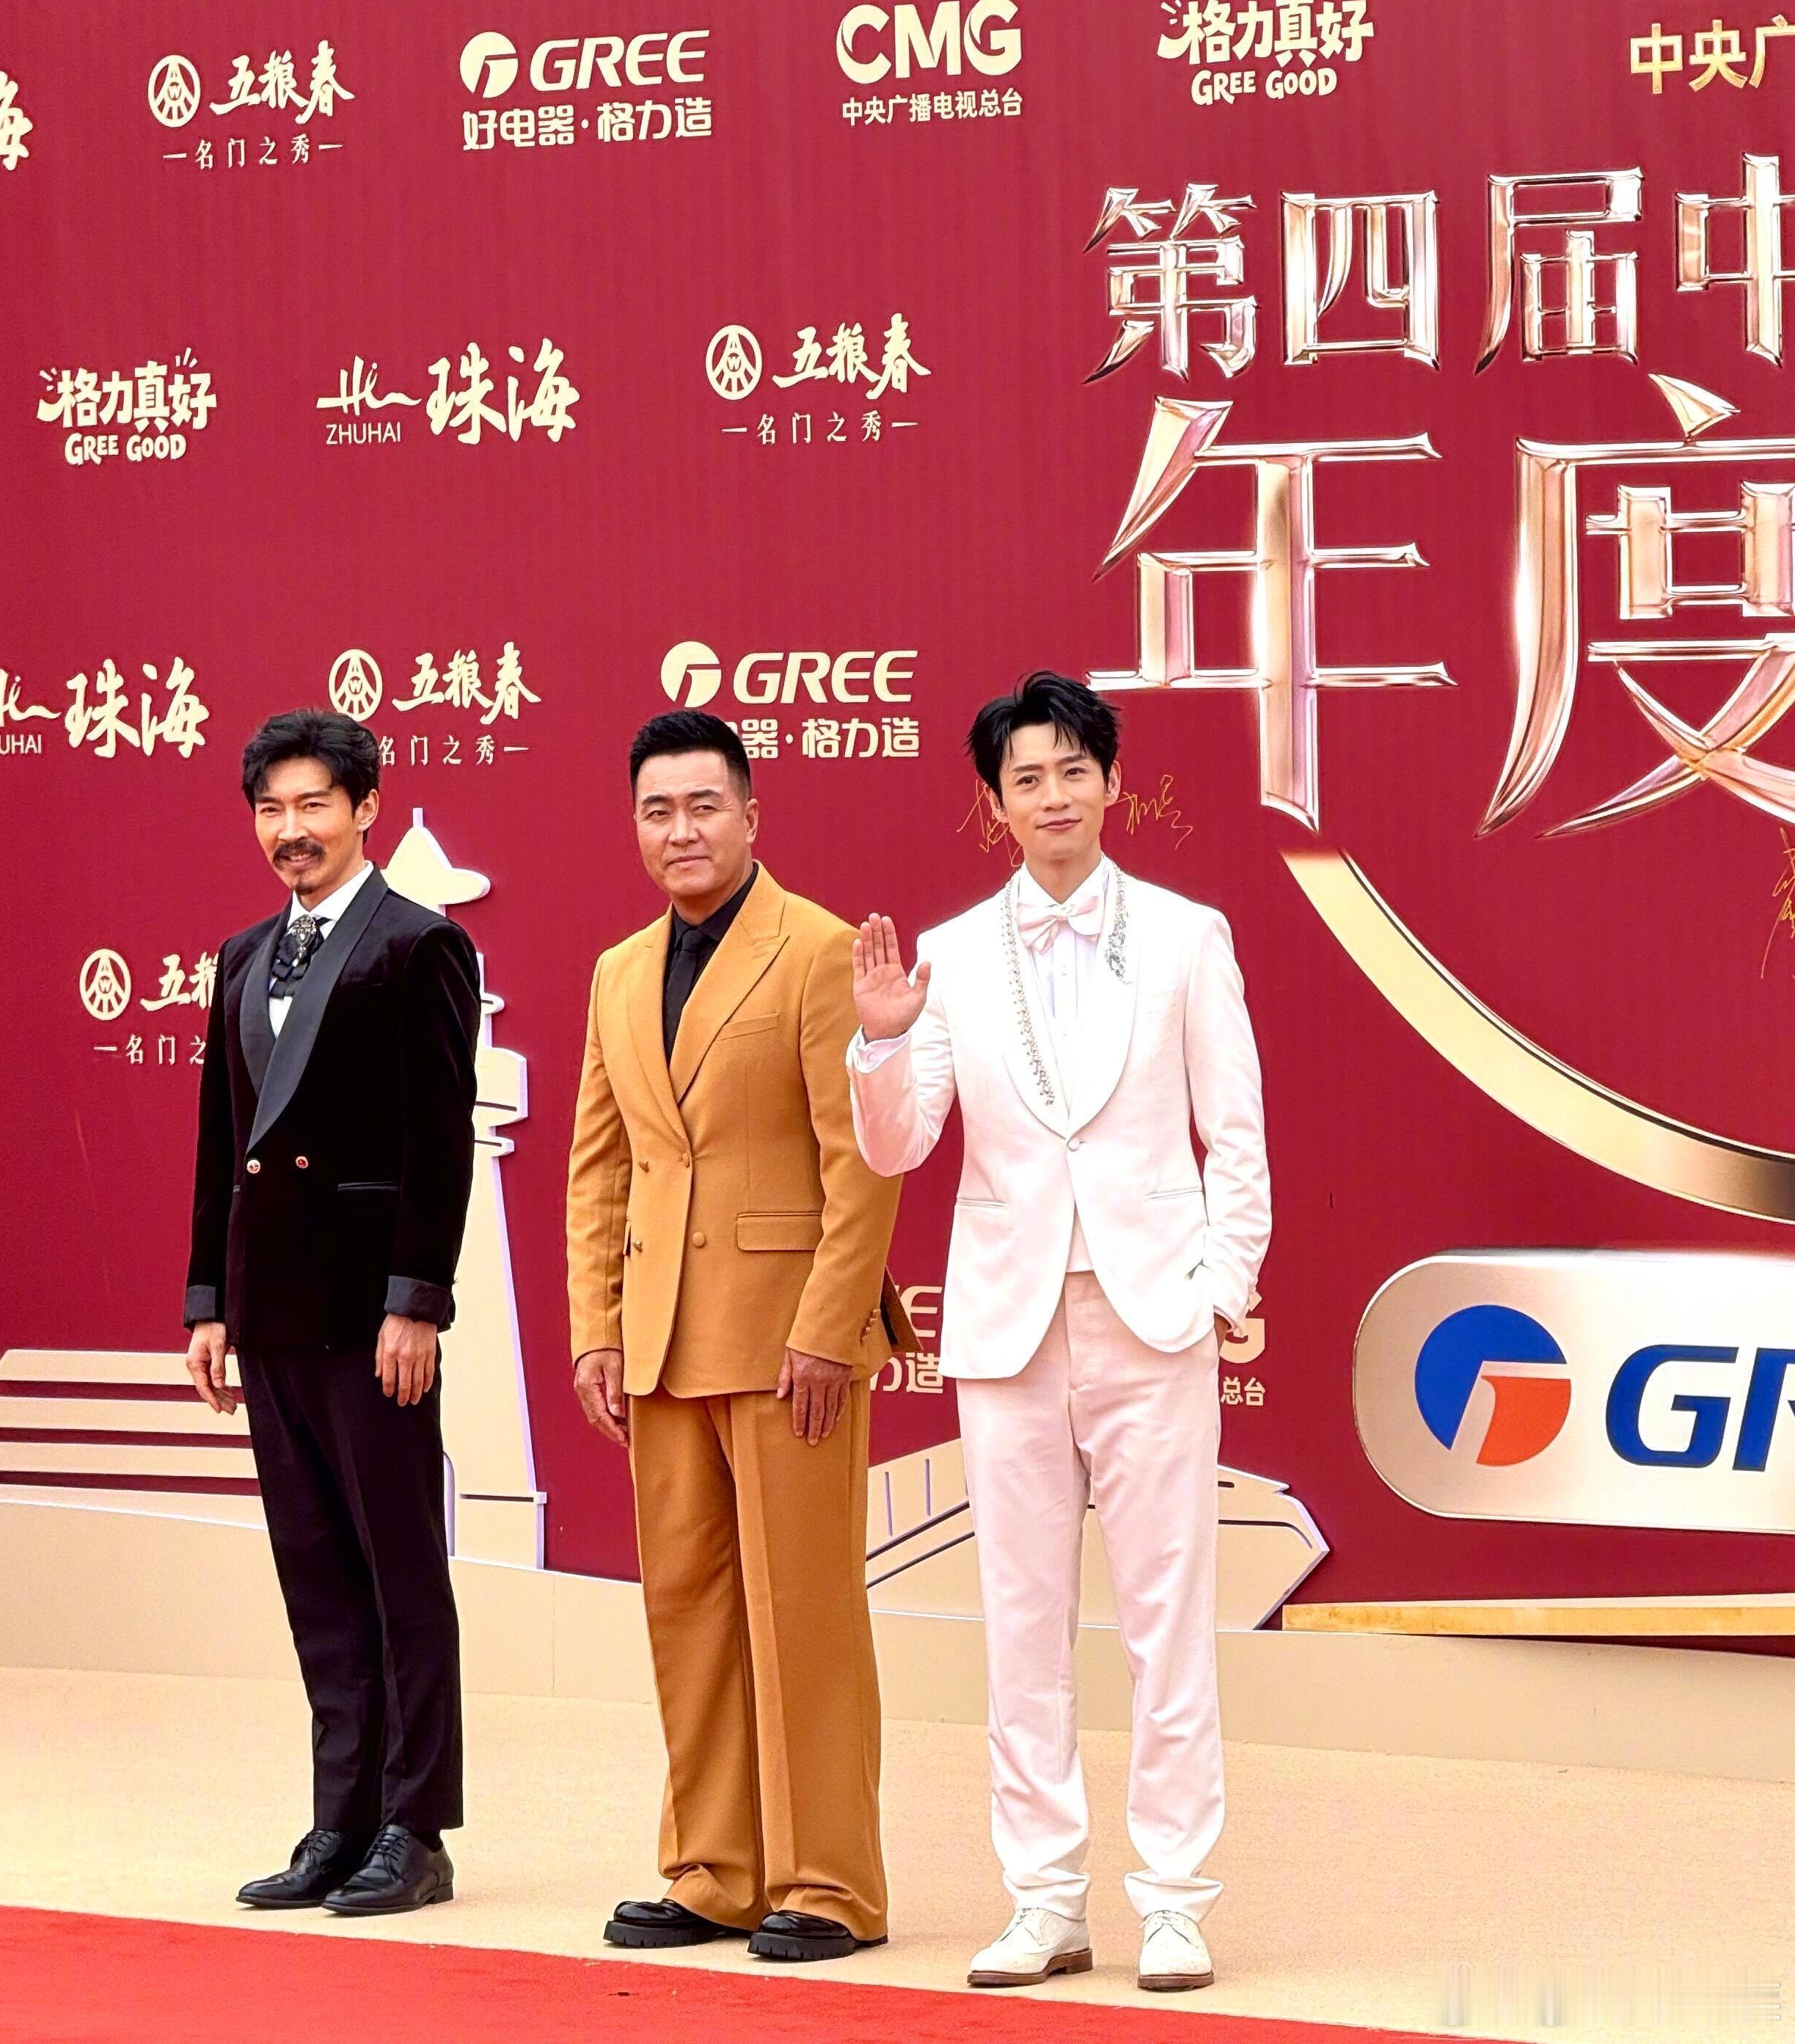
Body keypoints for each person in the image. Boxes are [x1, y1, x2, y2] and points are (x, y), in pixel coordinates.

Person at [847, 672, 1270, 1995]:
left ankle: (1176, 1903)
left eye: (1071, 771)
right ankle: (1043, 1901)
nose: (1051, 797)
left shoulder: (1188, 936)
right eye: (1025, 779)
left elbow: (1236, 1134)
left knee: (1167, 1623)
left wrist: (1217, 1287)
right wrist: (879, 1047)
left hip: (1153, 1319)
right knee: (1020, 1628)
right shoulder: (952, 954)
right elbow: (898, 1147)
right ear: (994, 803)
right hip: (1006, 1326)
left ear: (1110, 782)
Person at [566, 710, 910, 1963]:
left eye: (703, 805)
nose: (681, 831)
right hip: (658, 1342)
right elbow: (599, 1168)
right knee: (692, 1610)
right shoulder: (615, 970)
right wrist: (596, 1331)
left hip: (787, 1346)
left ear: (752, 816)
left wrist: (828, 1329)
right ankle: (714, 1868)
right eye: (657, 810)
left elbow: (859, 1163)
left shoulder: (816, 949)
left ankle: (829, 1884)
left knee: (802, 1612)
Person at [183, 708, 481, 1916]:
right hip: (270, 1311)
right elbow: (221, 1141)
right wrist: (208, 1300)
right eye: (271, 809)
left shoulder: (419, 944)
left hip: (370, 1315)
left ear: (365, 809)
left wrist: (418, 1302)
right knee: (314, 1573)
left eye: (313, 805)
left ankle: (415, 1828)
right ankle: (339, 1819)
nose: (291, 830)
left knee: (400, 1571)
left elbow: (440, 1139)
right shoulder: (242, 953)